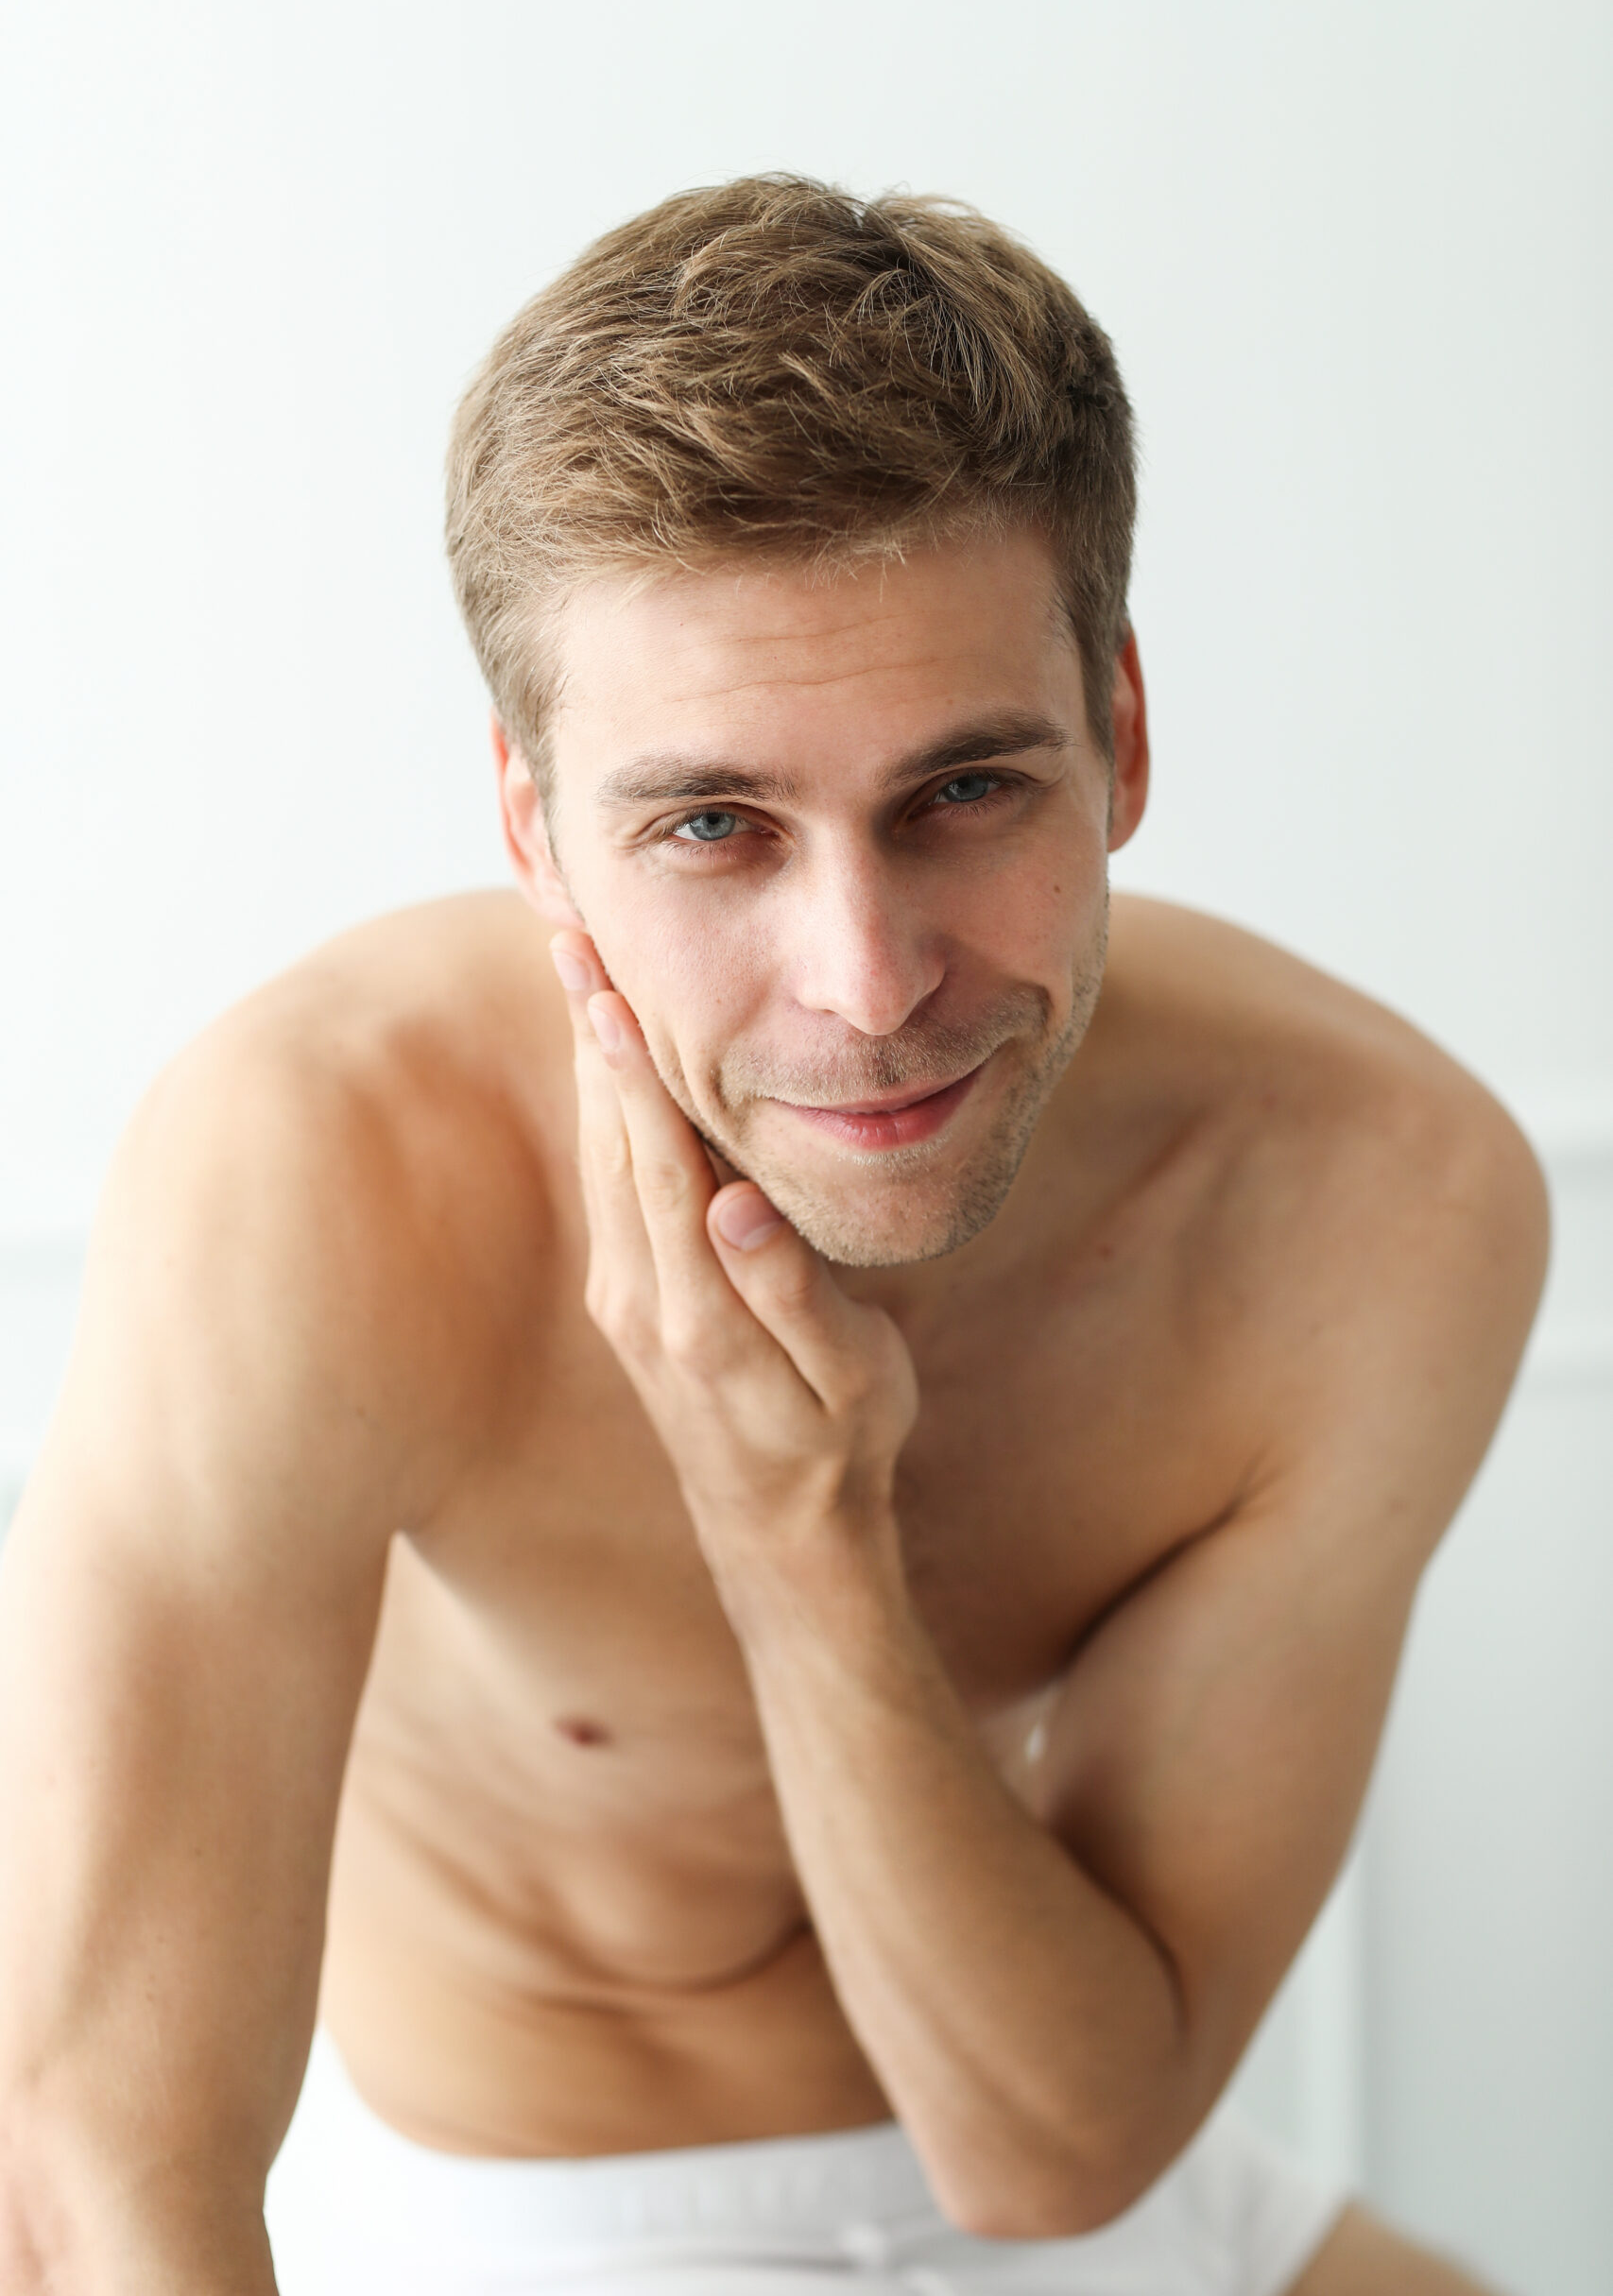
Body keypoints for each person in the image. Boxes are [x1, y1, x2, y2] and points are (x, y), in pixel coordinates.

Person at [0, 179, 1545, 2295]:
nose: (867, 975)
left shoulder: (1376, 1191)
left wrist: (791, 1520)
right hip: (524, 2218)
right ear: (539, 831)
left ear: (1121, 730)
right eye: (712, 823)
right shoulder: (321, 1161)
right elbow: (102, 2160)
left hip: (1098, 2165)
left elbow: (1050, 2157)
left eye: (964, 792)